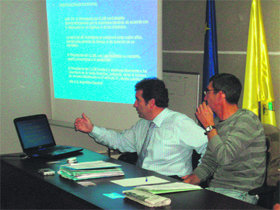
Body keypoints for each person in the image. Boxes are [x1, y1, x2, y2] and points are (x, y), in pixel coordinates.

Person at [75, 78, 208, 178]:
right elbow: (120, 141)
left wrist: (197, 176)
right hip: (142, 181)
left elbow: (209, 147)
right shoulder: (143, 124)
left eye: (138, 100)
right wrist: (92, 129)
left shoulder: (179, 122)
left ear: (151, 103)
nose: (134, 105)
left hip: (170, 183)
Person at [182, 73, 266, 204]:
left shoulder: (246, 120)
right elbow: (209, 162)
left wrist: (209, 127)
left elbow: (225, 157)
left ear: (221, 95)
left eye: (207, 92)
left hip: (240, 193)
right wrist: (188, 180)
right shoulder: (217, 124)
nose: (205, 97)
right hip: (216, 190)